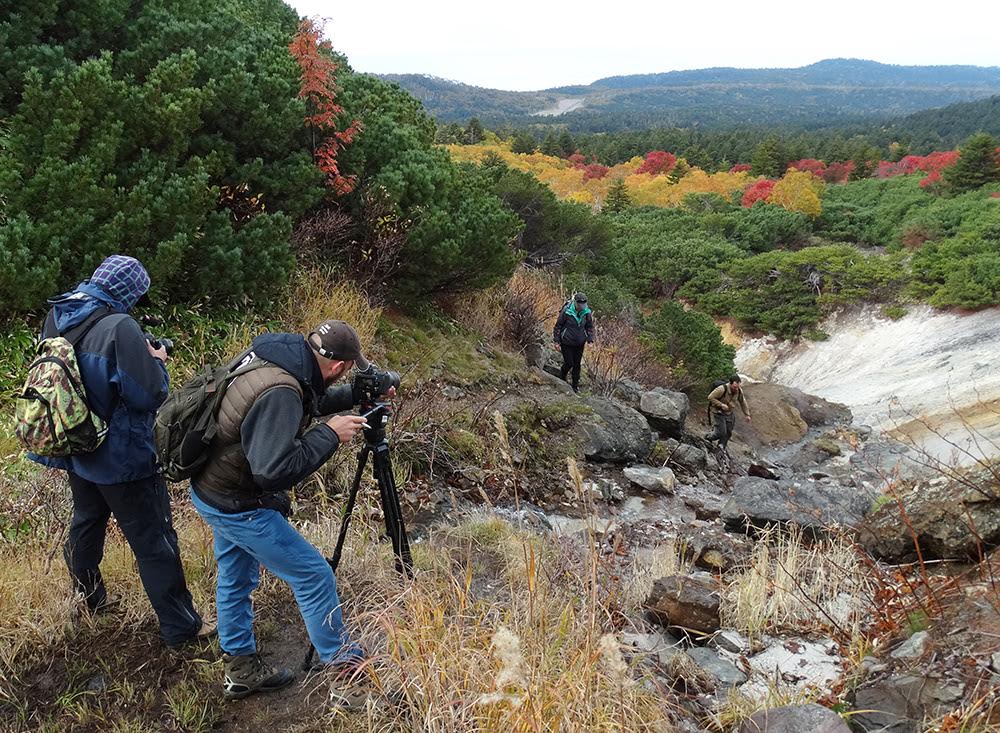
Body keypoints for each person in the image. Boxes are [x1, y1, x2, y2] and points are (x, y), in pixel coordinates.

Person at [188, 319, 385, 706]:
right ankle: (347, 674)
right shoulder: (281, 390)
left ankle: (241, 669)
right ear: (338, 366)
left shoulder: (277, 357)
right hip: (239, 503)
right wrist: (329, 434)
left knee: (235, 575)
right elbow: (274, 469)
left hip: (213, 488)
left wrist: (348, 397)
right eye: (346, 372)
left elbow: (305, 399)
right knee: (313, 575)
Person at [29, 255, 211, 647]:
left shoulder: (61, 312)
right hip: (123, 457)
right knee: (154, 540)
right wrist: (157, 362)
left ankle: (89, 599)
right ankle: (182, 629)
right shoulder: (120, 327)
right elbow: (148, 395)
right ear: (129, 290)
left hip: (77, 445)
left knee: (87, 521)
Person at [553, 292, 595, 393]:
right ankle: (562, 376)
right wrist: (557, 341)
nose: (582, 307)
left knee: (577, 365)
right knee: (569, 363)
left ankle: (575, 387)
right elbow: (558, 326)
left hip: (580, 343)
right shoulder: (566, 311)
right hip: (566, 342)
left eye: (583, 305)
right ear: (575, 303)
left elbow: (589, 327)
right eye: (580, 305)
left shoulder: (587, 313)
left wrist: (590, 340)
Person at [705, 375, 752, 452]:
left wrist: (747, 414)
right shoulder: (722, 389)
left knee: (728, 431)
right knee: (721, 432)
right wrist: (721, 404)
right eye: (734, 387)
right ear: (730, 383)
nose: (736, 389)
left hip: (729, 412)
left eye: (738, 387)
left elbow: (743, 402)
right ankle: (708, 437)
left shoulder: (739, 391)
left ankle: (721, 446)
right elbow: (710, 397)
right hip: (718, 411)